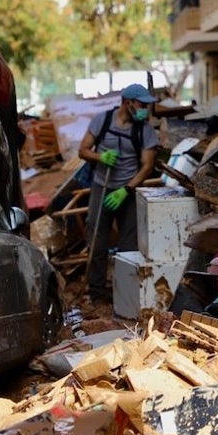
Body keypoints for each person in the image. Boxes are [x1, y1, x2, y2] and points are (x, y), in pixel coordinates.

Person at [77, 84, 160, 305]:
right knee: (96, 239)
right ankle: (95, 290)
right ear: (127, 102)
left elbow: (147, 166)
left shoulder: (145, 130)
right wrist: (100, 158)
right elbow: (83, 150)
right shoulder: (102, 121)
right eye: (142, 104)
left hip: (128, 191)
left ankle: (126, 292)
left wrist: (127, 189)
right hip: (101, 187)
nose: (145, 109)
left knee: (129, 245)